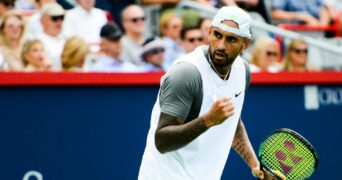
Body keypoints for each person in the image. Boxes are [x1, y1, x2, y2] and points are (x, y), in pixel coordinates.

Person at [138, 6, 279, 180]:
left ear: (245, 44)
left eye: (231, 39)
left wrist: (254, 164)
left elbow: (232, 121)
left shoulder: (243, 71)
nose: (221, 45)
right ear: (210, 32)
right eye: (217, 35)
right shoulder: (186, 73)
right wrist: (208, 120)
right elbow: (162, 141)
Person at [37, 2, 66, 71]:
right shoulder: (37, 42)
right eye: (54, 18)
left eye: (61, 18)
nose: (59, 22)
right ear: (42, 21)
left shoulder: (65, 39)